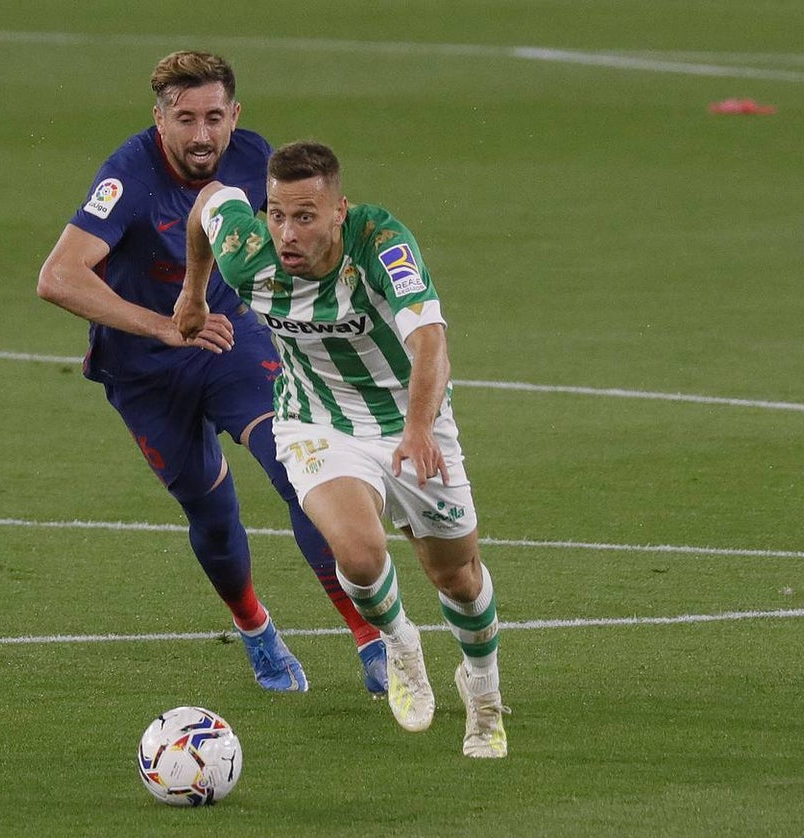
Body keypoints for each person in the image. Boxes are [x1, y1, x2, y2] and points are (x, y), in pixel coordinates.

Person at [36, 53, 387, 695]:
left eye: (214, 118)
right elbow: (57, 277)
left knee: (297, 471)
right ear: (160, 118)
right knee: (211, 507)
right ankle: (256, 630)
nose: (202, 135)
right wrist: (163, 325)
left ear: (235, 116)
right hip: (143, 369)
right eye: (186, 118)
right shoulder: (128, 177)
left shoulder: (257, 160)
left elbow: (320, 220)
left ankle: (370, 638)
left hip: (229, 340)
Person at [175, 140, 507, 757]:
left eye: (305, 216)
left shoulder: (381, 241)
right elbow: (209, 202)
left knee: (457, 577)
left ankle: (483, 691)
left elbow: (431, 340)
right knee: (357, 553)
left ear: (339, 212)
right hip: (315, 421)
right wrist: (194, 293)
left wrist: (417, 429)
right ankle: (402, 645)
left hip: (412, 419)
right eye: (276, 214)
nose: (286, 233)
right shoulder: (249, 255)